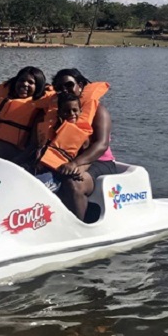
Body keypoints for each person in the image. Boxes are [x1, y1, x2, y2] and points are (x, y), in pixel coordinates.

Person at [40, 68, 115, 221]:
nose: (64, 90)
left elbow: (101, 145)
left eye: (69, 85)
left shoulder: (99, 111)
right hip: (67, 161)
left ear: (80, 86)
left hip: (100, 162)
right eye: (59, 88)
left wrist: (75, 163)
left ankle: (79, 228)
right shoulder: (57, 113)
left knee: (73, 182)